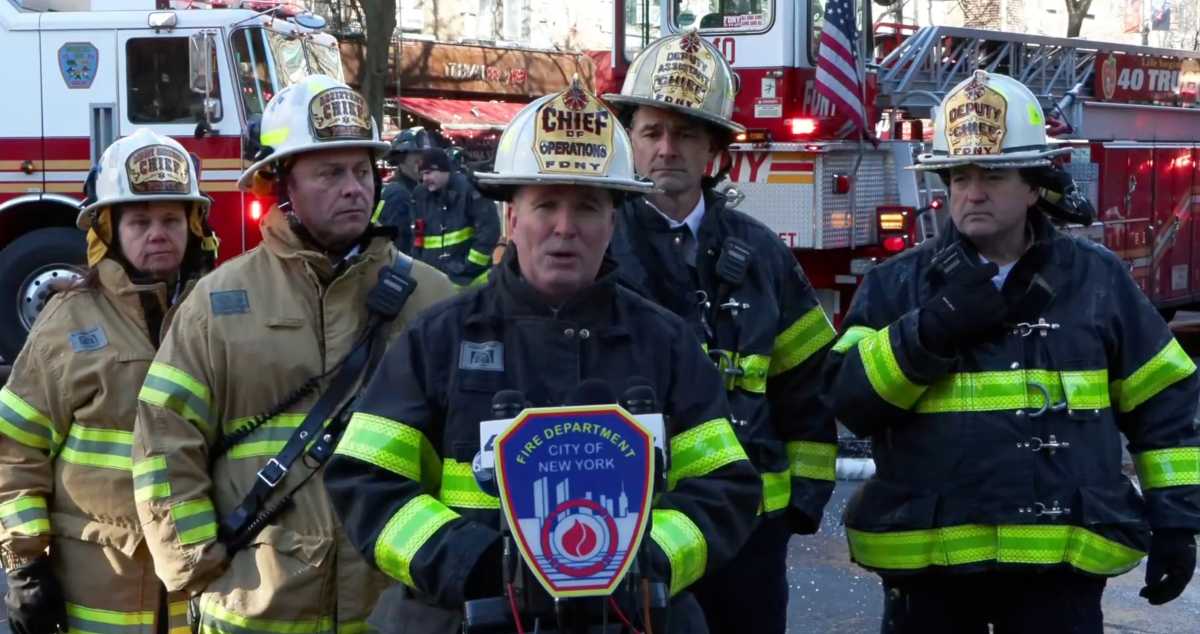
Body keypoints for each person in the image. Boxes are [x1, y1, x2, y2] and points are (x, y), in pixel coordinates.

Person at [324, 79, 762, 633]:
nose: (564, 228)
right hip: (470, 618)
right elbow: (366, 480)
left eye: (587, 208)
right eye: (546, 204)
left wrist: (645, 559)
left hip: (632, 618)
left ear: (613, 222)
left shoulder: (666, 343)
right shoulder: (438, 339)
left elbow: (725, 487)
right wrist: (475, 564)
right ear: (512, 218)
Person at [826, 70, 1200, 633]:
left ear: (1034, 187)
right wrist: (928, 332)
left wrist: (1176, 521)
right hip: (930, 574)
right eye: (959, 176)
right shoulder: (896, 286)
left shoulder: (1096, 280)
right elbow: (848, 401)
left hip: (1058, 574)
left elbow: (1163, 402)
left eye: (994, 175)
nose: (972, 193)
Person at [131, 76, 457, 632]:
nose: (353, 189)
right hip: (255, 609)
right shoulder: (217, 301)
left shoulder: (433, 297)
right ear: (282, 184)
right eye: (329, 174)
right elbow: (164, 436)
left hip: (391, 608)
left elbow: (463, 449)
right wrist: (196, 563)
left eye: (361, 171)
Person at [603, 30, 839, 634]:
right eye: (652, 132)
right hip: (633, 524)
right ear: (629, 140)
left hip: (749, 530)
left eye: (685, 134)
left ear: (713, 148)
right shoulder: (597, 248)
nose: (666, 149)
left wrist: (802, 502)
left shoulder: (761, 254)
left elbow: (807, 383)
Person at [0, 128, 219, 634]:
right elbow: (15, 448)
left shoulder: (220, 314)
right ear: (108, 231)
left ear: (193, 226)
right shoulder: (67, 322)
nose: (157, 233)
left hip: (204, 588)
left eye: (171, 220)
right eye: (139, 221)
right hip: (100, 586)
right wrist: (25, 564)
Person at [409, 147, 501, 287]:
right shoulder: (420, 195)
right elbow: (417, 235)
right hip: (433, 280)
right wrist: (419, 266)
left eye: (428, 173)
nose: (425, 179)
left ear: (444, 170)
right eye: (422, 174)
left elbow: (489, 230)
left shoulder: (469, 190)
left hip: (470, 281)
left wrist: (469, 267)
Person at [378, 127, 440, 252]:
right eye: (418, 158)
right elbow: (398, 248)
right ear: (401, 158)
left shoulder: (416, 190)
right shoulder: (398, 194)